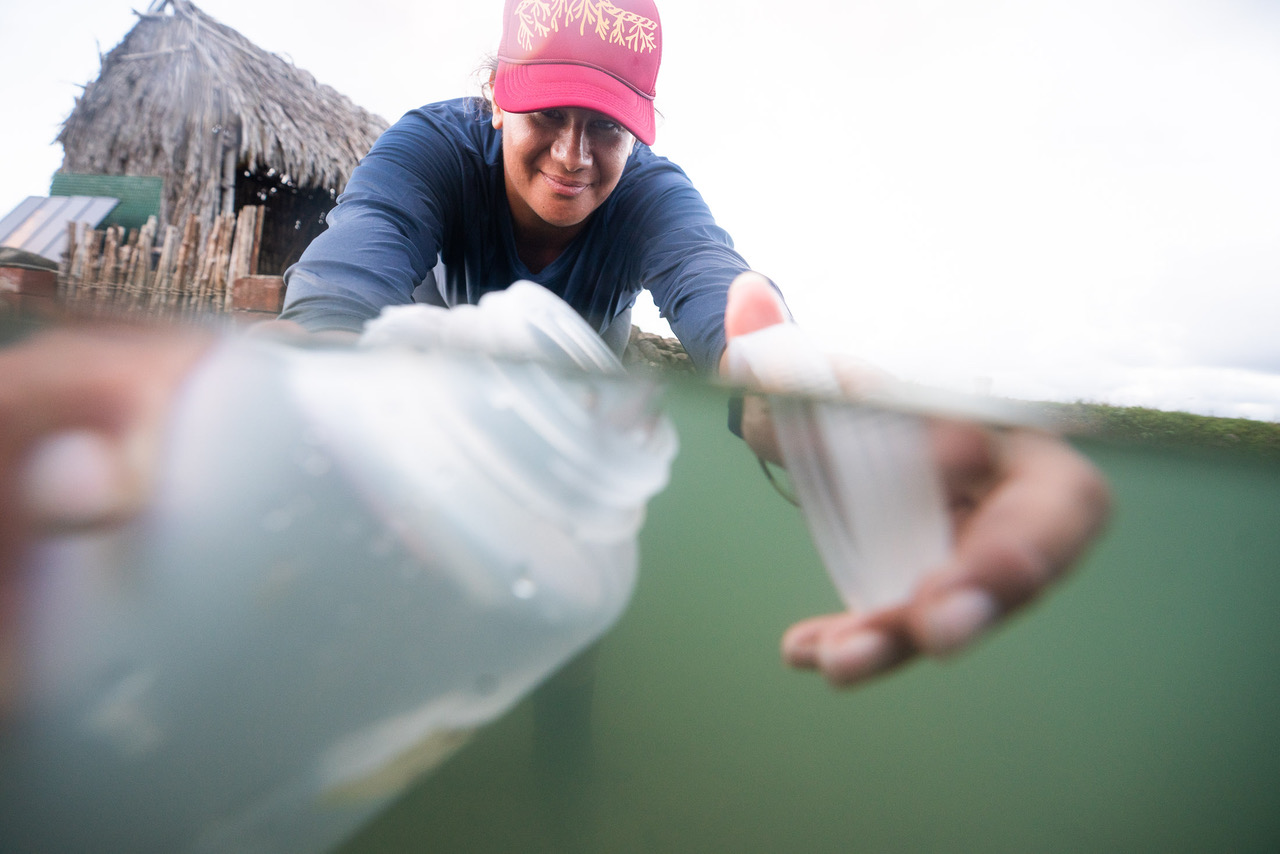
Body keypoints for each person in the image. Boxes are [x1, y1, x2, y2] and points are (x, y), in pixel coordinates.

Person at [1, 0, 1108, 698]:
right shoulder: (427, 151)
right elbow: (336, 293)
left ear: (640, 131)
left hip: (568, 448)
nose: (574, 156)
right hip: (407, 420)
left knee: (557, 656)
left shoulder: (654, 200)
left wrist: (823, 417)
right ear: (495, 97)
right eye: (547, 117)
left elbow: (731, 320)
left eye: (608, 127)